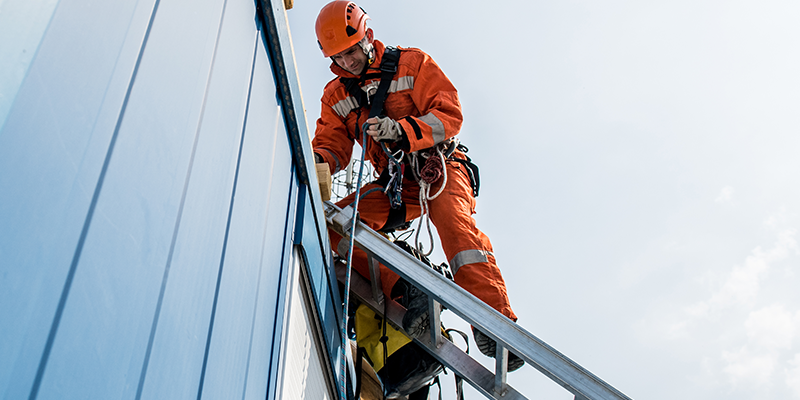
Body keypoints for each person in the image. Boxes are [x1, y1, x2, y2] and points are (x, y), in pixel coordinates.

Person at [311, 0, 523, 371]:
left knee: (456, 231)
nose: (346, 63)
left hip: (437, 168)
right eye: (338, 58)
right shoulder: (336, 97)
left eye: (350, 52)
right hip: (396, 186)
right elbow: (331, 144)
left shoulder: (411, 64)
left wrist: (403, 131)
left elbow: (449, 115)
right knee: (331, 225)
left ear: (367, 37)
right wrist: (317, 162)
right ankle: (407, 290)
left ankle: (494, 322)